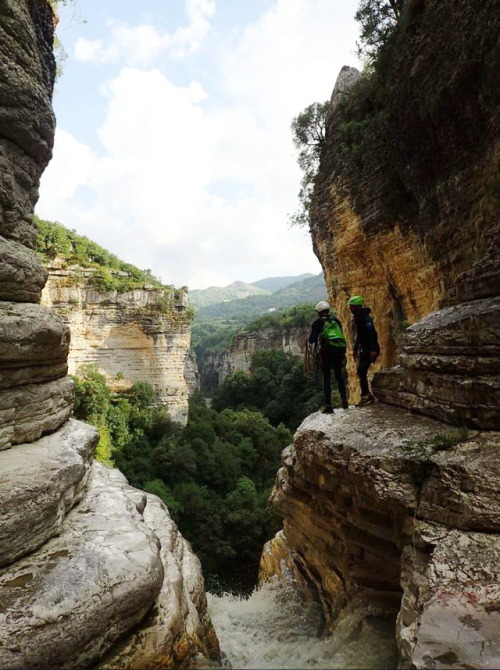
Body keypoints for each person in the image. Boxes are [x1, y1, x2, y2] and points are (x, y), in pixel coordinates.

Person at [308, 300, 349, 413]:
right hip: (339, 350)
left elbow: (311, 340)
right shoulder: (335, 320)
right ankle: (345, 401)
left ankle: (328, 405)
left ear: (319, 312)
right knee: (339, 376)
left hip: (326, 352)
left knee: (326, 378)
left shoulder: (318, 323)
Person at [348, 295, 380, 407]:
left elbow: (372, 334)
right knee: (360, 371)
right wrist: (356, 349)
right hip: (364, 348)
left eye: (352, 306)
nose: (350, 309)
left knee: (361, 370)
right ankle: (366, 395)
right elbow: (360, 336)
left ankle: (366, 396)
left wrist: (373, 349)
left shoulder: (365, 319)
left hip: (369, 348)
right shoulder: (359, 318)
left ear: (358, 307)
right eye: (350, 306)